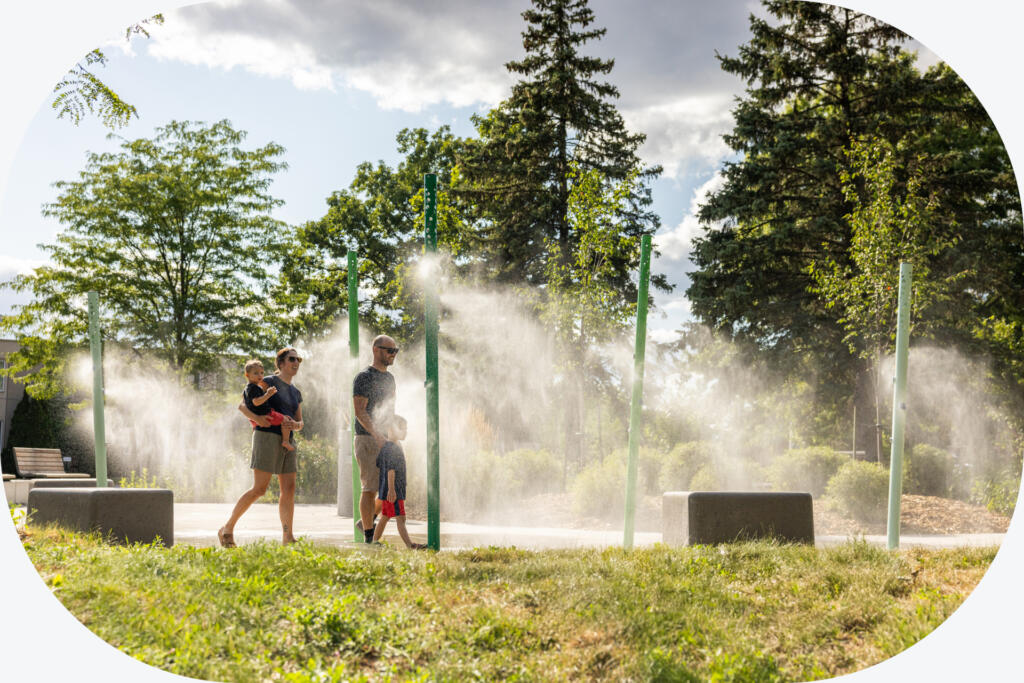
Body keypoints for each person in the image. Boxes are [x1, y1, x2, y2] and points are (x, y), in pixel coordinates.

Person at [219, 347, 305, 547]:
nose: (296, 363)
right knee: (259, 489)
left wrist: (296, 426)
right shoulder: (267, 381)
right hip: (266, 437)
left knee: (289, 489)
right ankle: (227, 528)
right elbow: (243, 406)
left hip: (287, 440)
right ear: (281, 363)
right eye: (292, 359)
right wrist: (257, 418)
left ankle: (288, 537)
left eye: (298, 360)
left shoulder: (295, 392)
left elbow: (301, 423)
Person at [353, 334, 398, 543]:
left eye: (395, 351)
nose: (393, 355)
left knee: (389, 488)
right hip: (367, 439)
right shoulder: (364, 377)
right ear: (376, 350)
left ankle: (366, 522)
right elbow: (360, 412)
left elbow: (389, 411)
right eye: (390, 350)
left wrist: (393, 436)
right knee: (370, 488)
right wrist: (377, 436)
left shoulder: (389, 378)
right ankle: (369, 539)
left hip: (385, 439)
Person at [371, 415, 424, 549]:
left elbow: (379, 465)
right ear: (392, 429)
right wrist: (392, 489)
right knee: (400, 518)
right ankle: (410, 545)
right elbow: (391, 470)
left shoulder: (386, 448)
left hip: (387, 490)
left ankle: (375, 541)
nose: (405, 432)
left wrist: (385, 488)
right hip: (394, 491)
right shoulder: (393, 448)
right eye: (402, 429)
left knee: (385, 517)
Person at [241, 359, 294, 452]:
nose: (260, 375)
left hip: (256, 420)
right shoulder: (254, 387)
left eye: (261, 373)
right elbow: (256, 402)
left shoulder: (248, 388)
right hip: (266, 415)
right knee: (286, 420)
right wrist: (268, 394)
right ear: (247, 375)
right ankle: (286, 441)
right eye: (256, 373)